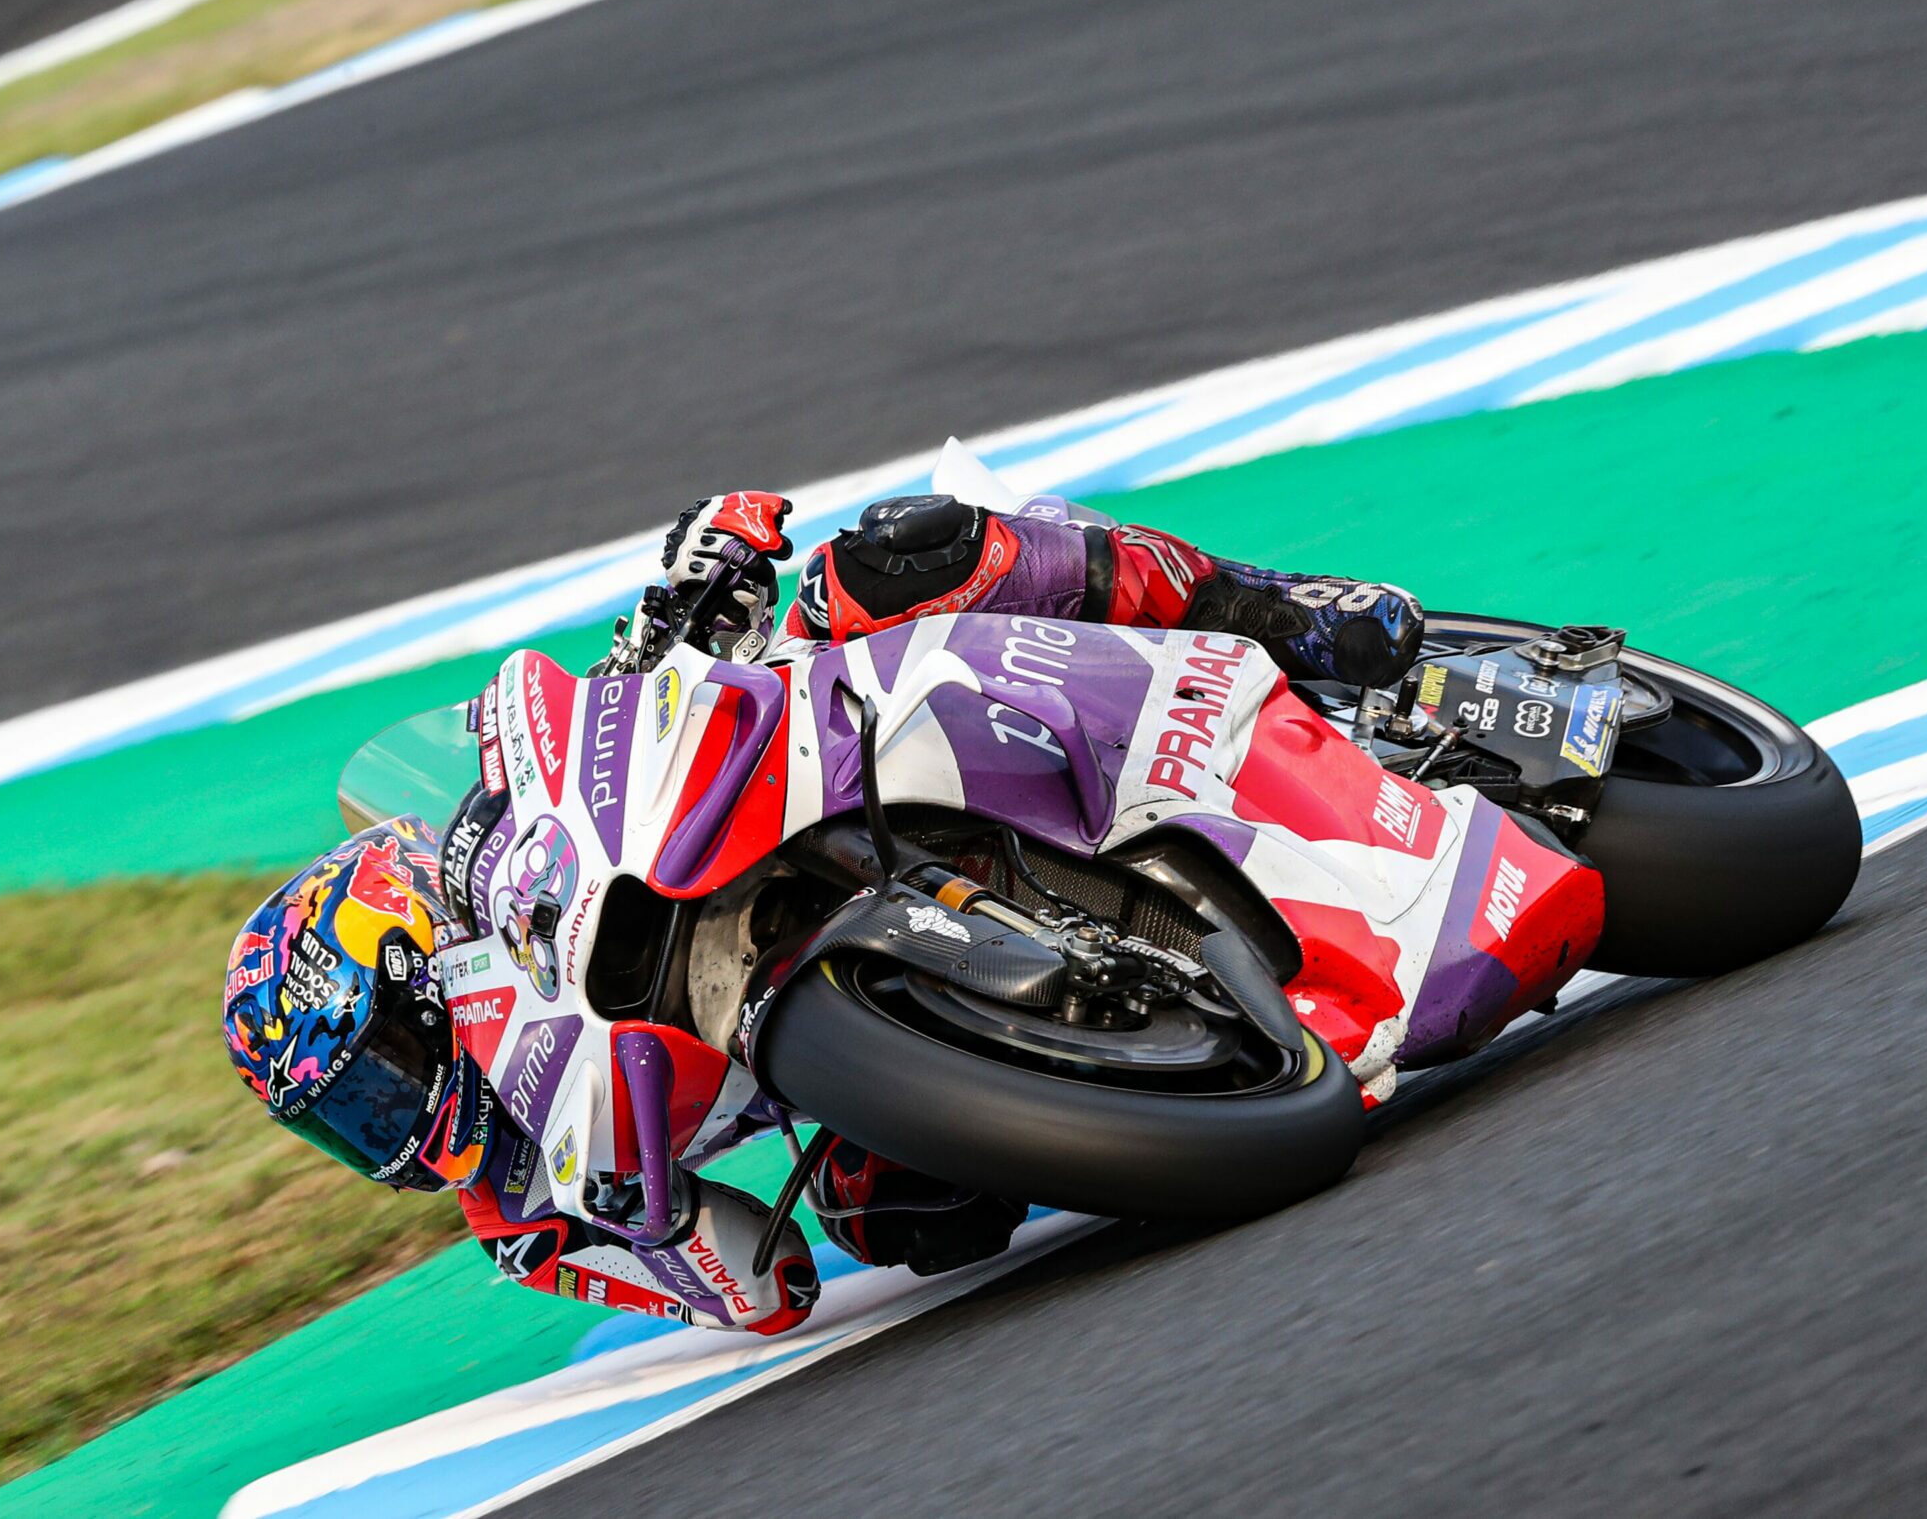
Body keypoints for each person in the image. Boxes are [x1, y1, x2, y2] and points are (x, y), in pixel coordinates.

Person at [222, 489, 1421, 1334]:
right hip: (825, 1046)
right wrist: (654, 1222)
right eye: (348, 1122)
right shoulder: (528, 1221)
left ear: (412, 960)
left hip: (767, 794)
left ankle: (1264, 608)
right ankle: (1148, 1049)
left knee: (905, 557)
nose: (386, 1127)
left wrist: (690, 595)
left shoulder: (500, 848)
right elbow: (764, 1286)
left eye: (374, 1073)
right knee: (902, 1213)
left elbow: (602, 729)